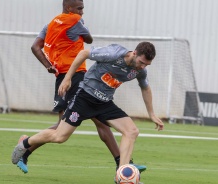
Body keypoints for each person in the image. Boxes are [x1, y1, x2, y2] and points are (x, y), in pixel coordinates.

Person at [15, 0, 146, 174]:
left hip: (67, 74)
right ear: (69, 8)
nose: (82, 12)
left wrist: (48, 65)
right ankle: (26, 145)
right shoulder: (76, 22)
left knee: (100, 123)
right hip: (73, 76)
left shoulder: (51, 25)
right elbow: (89, 40)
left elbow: (35, 46)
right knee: (64, 128)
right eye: (79, 8)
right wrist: (83, 30)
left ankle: (122, 163)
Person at [12, 41, 164, 179]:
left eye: (147, 65)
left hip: (104, 103)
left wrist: (151, 114)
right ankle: (25, 143)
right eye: (142, 62)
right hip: (84, 98)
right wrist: (67, 78)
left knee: (131, 131)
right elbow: (84, 53)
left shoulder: (140, 71)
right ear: (135, 53)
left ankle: (121, 176)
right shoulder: (114, 53)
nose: (143, 67)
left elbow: (145, 88)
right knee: (60, 136)